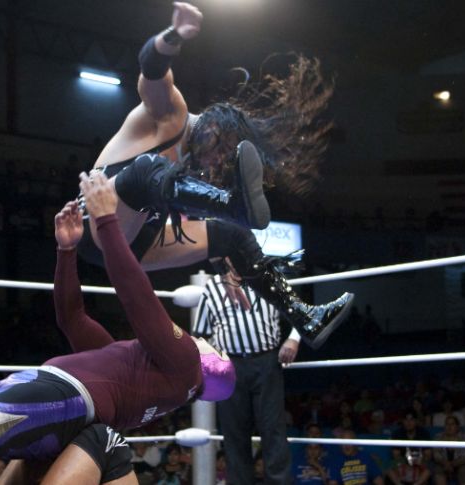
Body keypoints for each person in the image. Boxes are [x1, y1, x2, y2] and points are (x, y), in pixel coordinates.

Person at [0, 172, 237, 485]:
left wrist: (108, 221)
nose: (205, 339)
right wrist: (66, 252)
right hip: (39, 389)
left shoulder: (185, 366)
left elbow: (138, 298)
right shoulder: (130, 369)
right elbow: (71, 319)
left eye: (214, 347)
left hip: (65, 399)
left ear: (212, 367)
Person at [75, 2, 352, 349]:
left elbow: (187, 218)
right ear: (213, 122)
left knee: (230, 233)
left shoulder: (192, 169)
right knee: (146, 171)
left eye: (224, 155)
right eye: (221, 145)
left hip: (133, 242)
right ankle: (233, 206)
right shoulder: (169, 113)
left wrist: (224, 261)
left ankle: (303, 315)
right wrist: (174, 35)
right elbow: (151, 68)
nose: (218, 158)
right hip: (94, 222)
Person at [192, 264, 303, 484]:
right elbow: (199, 335)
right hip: (229, 366)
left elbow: (300, 312)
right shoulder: (212, 287)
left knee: (273, 431)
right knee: (234, 436)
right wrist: (213, 365)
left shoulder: (269, 279)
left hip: (267, 362)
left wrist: (294, 339)